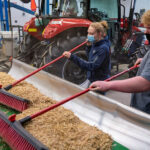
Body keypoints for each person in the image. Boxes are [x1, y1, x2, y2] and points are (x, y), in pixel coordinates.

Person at [90, 10, 150, 114]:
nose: (146, 31)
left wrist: (108, 85)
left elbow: (144, 83)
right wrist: (145, 61)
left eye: (149, 28)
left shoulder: (103, 48)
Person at [63, 21, 111, 89]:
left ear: (99, 34)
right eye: (88, 33)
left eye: (91, 33)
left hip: (99, 83)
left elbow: (91, 66)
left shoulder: (102, 49)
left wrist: (72, 57)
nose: (89, 35)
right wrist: (88, 47)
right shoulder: (95, 43)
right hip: (92, 79)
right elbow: (90, 58)